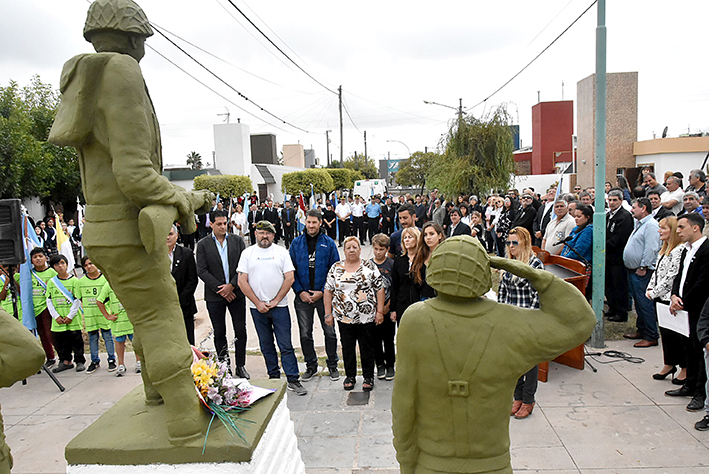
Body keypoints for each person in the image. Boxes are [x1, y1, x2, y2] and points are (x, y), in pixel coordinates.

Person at [48, 0, 213, 444]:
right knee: (161, 318)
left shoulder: (84, 76)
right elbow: (135, 174)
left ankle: (155, 395)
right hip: (129, 227)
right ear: (135, 36)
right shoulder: (121, 71)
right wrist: (181, 197)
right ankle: (183, 420)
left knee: (142, 318)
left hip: (101, 232)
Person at [392, 236, 596, 474]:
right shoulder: (510, 323)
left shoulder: (415, 320)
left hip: (432, 463)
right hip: (491, 464)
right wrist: (531, 272)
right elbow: (581, 322)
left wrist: (406, 463)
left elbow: (403, 404)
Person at [238, 221, 306, 395]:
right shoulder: (247, 253)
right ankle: (273, 377)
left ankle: (293, 378)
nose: (264, 236)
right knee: (266, 344)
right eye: (261, 233)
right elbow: (241, 281)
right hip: (257, 308)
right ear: (255, 234)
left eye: (268, 233)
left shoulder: (282, 252)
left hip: (279, 307)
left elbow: (289, 278)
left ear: (274, 235)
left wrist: (276, 300)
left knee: (285, 345)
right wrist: (258, 302)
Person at [324, 236, 385, 392]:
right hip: (344, 318)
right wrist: (328, 313)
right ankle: (350, 376)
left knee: (367, 347)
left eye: (355, 247)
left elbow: (380, 288)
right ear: (344, 250)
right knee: (348, 347)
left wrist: (379, 311)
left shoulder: (369, 266)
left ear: (360, 249)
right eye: (348, 247)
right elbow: (328, 290)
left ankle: (368, 377)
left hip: (366, 317)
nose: (351, 250)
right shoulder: (336, 268)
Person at [289, 209, 341, 382]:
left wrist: (324, 292)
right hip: (302, 297)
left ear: (320, 223)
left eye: (314, 222)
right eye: (308, 222)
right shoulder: (296, 244)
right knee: (305, 334)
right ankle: (311, 366)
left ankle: (332, 365)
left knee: (330, 332)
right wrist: (300, 291)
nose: (311, 225)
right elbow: (290, 271)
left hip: (324, 296)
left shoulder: (329, 243)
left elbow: (335, 270)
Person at [498, 227, 545, 419]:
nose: (511, 246)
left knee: (529, 363)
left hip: (527, 320)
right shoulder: (510, 263)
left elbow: (538, 294)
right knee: (513, 363)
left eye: (514, 243)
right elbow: (502, 291)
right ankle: (517, 397)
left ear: (524, 243)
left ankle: (528, 400)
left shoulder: (534, 264)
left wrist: (526, 319)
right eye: (509, 243)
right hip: (510, 319)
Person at [196, 210, 248, 378]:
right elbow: (202, 270)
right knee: (220, 332)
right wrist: (222, 289)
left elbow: (243, 266)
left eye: (225, 223)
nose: (223, 227)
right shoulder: (203, 244)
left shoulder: (237, 241)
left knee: (240, 330)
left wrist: (232, 286)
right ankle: (225, 366)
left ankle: (241, 365)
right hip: (215, 296)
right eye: (219, 224)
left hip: (236, 293)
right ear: (211, 224)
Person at [666, 213, 709, 413]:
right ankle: (689, 384)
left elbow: (703, 282)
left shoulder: (706, 250)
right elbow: (679, 276)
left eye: (682, 227)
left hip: (697, 308)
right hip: (682, 306)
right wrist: (674, 295)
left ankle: (700, 393)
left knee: (699, 350)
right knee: (688, 348)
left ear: (695, 228)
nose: (678, 231)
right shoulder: (685, 250)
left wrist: (684, 302)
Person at [645, 217, 687, 382]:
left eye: (663, 228)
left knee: (678, 335)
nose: (659, 231)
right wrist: (649, 288)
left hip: (670, 298)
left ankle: (684, 368)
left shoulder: (679, 250)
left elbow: (671, 276)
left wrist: (655, 292)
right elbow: (657, 272)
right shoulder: (665, 249)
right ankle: (669, 363)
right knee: (666, 334)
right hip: (659, 298)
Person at [622, 198, 661, 346]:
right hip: (633, 270)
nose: (632, 210)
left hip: (643, 272)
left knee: (645, 303)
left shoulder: (651, 225)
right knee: (638, 303)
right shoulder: (640, 224)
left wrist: (643, 266)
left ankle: (651, 335)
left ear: (643, 208)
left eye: (634, 207)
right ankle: (642, 329)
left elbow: (651, 248)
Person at [47, 254, 85, 373]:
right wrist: (56, 316)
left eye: (62, 263)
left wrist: (70, 316)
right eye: (57, 264)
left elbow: (77, 299)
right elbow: (49, 300)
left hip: (72, 318)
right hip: (58, 318)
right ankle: (65, 361)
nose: (60, 266)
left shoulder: (74, 281)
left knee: (76, 340)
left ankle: (79, 361)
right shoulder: (52, 282)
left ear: (67, 265)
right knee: (60, 341)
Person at [78, 256, 116, 373]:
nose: (89, 266)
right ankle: (94, 361)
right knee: (93, 338)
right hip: (90, 315)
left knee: (107, 337)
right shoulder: (81, 282)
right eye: (86, 265)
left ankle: (111, 359)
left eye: (91, 263)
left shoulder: (105, 279)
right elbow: (80, 297)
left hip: (104, 314)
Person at [96, 280, 139, 376]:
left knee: (136, 342)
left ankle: (139, 362)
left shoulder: (130, 282)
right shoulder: (108, 285)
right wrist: (108, 316)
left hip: (131, 321)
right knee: (119, 342)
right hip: (118, 322)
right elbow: (99, 301)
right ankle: (121, 364)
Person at [604, 190, 634, 322]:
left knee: (619, 285)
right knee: (609, 284)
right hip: (607, 256)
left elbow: (620, 237)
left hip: (618, 256)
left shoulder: (624, 216)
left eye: (615, 200)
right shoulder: (607, 215)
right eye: (610, 200)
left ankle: (621, 312)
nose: (612, 203)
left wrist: (605, 245)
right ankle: (612, 308)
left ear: (621, 201)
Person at [167, 224, 198, 346]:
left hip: (184, 305)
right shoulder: (155, 256)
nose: (167, 237)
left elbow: (192, 280)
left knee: (188, 341)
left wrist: (179, 300)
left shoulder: (186, 253)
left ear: (177, 235)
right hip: (164, 307)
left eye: (170, 234)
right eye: (164, 234)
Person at [371, 234, 396, 381]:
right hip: (373, 309)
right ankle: (379, 364)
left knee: (388, 338)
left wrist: (388, 306)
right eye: (375, 249)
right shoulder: (368, 265)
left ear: (387, 249)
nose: (378, 252)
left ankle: (390, 365)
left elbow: (395, 287)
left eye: (381, 249)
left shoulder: (392, 265)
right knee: (375, 339)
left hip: (388, 308)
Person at [29, 247, 58, 366]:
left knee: (51, 334)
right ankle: (50, 357)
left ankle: (63, 356)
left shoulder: (52, 272)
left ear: (46, 258)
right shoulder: (29, 274)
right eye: (35, 257)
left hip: (48, 308)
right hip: (34, 309)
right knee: (42, 335)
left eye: (40, 256)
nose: (38, 259)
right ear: (31, 260)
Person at [390, 227, 422, 325]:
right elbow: (394, 285)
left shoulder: (422, 259)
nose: (407, 239)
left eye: (410, 237)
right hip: (402, 304)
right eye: (405, 238)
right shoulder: (399, 260)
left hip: (419, 304)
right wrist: (393, 309)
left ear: (417, 239)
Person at [411, 222, 444, 302]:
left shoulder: (445, 255)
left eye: (432, 234)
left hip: (441, 300)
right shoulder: (420, 255)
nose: (428, 238)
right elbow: (415, 282)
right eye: (425, 235)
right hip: (423, 299)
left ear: (439, 235)